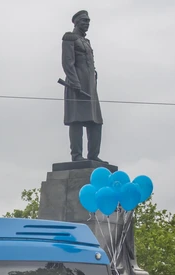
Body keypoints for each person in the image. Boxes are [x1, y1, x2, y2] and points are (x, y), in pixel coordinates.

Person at [62, 10, 107, 163]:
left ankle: (93, 155)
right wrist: (75, 82)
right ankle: (76, 155)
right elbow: (67, 63)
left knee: (96, 121)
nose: (87, 23)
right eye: (84, 21)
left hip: (90, 87)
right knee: (76, 120)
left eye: (88, 21)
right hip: (77, 85)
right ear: (76, 22)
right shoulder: (69, 38)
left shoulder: (86, 42)